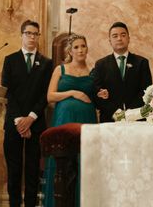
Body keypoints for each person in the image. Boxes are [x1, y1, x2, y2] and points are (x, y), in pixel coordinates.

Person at [1, 20, 53, 207]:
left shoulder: (47, 63)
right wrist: (19, 121)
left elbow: (45, 95)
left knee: (32, 172)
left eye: (35, 34)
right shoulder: (10, 60)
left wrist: (30, 118)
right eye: (28, 33)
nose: (32, 37)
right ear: (21, 35)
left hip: (36, 123)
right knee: (14, 171)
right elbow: (8, 92)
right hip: (14, 123)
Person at [43, 33, 97, 207]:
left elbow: (97, 96)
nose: (80, 50)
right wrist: (73, 93)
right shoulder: (61, 69)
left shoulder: (93, 71)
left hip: (86, 120)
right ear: (70, 51)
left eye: (83, 46)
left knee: (85, 161)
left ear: (87, 49)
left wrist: (101, 94)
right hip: (64, 120)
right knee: (62, 162)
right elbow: (50, 96)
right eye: (76, 47)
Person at [92, 21, 153, 122]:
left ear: (129, 38)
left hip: (137, 118)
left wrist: (130, 114)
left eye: (123, 35)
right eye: (115, 36)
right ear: (110, 41)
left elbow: (146, 91)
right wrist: (116, 113)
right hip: (110, 119)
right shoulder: (101, 64)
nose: (119, 38)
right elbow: (98, 94)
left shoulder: (141, 62)